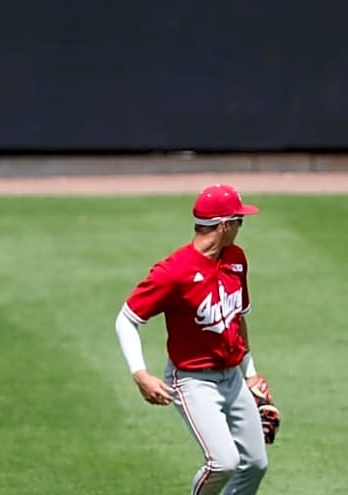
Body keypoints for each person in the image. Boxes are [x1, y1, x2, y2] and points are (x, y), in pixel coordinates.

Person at [115, 184, 269, 494]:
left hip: (232, 378)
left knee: (254, 464)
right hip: (193, 379)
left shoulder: (236, 259)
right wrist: (140, 373)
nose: (241, 226)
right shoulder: (173, 272)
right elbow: (127, 319)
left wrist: (251, 376)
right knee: (223, 463)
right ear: (224, 225)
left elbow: (238, 318)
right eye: (239, 220)